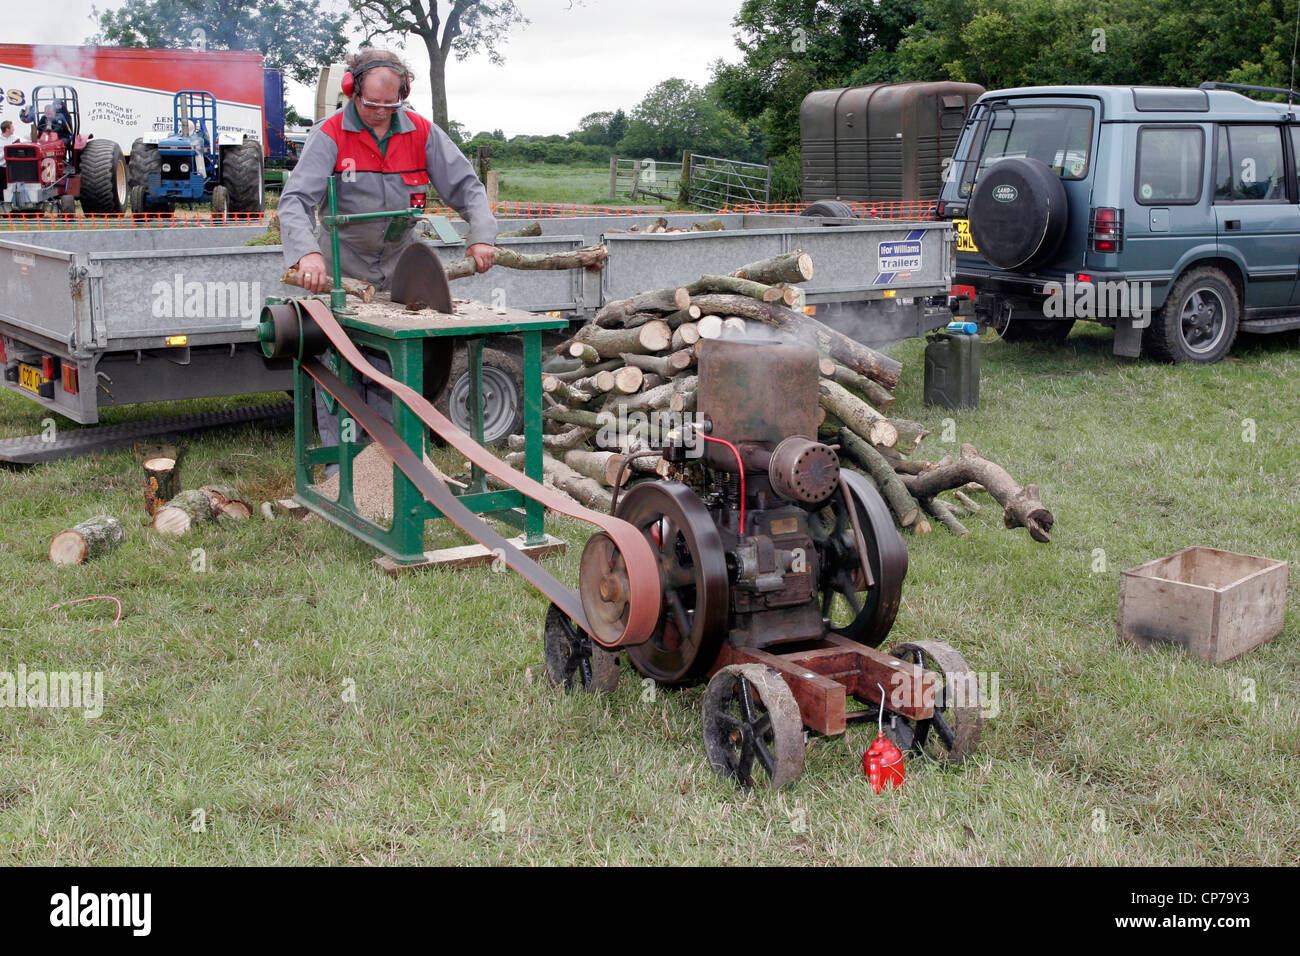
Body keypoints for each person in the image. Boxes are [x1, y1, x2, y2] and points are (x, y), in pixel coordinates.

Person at [278, 49, 497, 463]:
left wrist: (481, 234)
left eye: (389, 104)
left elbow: (467, 187)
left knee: (390, 378)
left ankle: (386, 468)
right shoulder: (329, 135)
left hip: (400, 279)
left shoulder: (421, 132)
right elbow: (294, 202)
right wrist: (306, 254)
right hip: (342, 275)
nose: (379, 112)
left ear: (404, 95)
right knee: (339, 378)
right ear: (352, 89)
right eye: (371, 103)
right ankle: (337, 472)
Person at [0, 120, 20, 195]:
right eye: (12, 127)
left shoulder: (15, 139)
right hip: (1, 167)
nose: (13, 129)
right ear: (7, 129)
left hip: (11, 168)